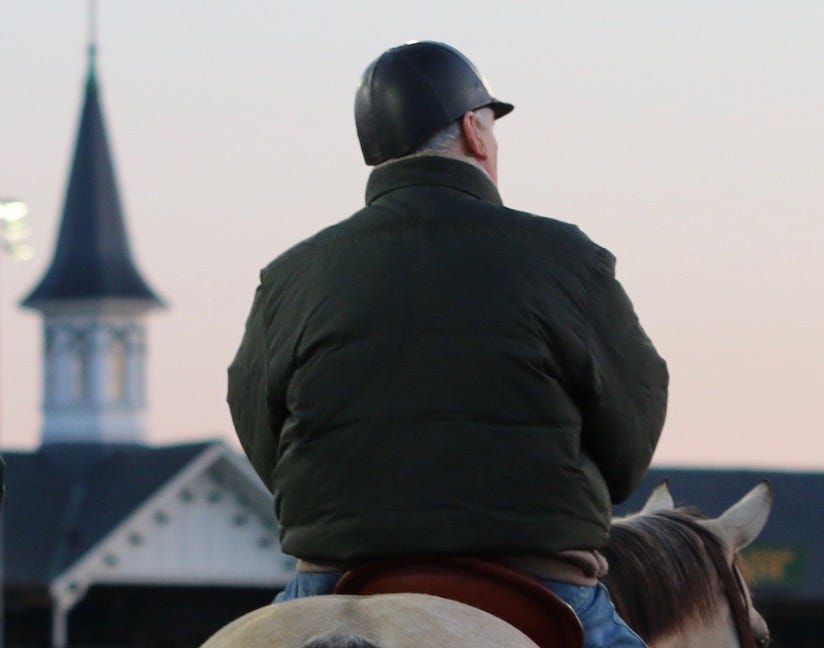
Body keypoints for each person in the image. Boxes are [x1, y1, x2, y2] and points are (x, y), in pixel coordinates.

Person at [227, 41, 668, 647]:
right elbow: (630, 439)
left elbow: (260, 433)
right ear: (474, 131)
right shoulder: (567, 260)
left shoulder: (290, 277)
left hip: (332, 580)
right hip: (541, 582)